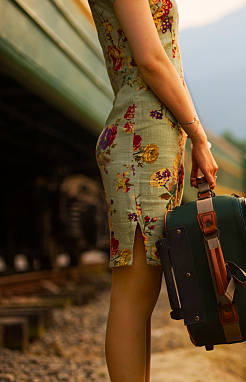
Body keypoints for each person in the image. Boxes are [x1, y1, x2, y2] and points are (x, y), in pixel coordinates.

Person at [86, 0, 218, 380]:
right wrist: (199, 136)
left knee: (143, 295)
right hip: (140, 142)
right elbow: (151, 60)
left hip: (153, 142)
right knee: (133, 294)